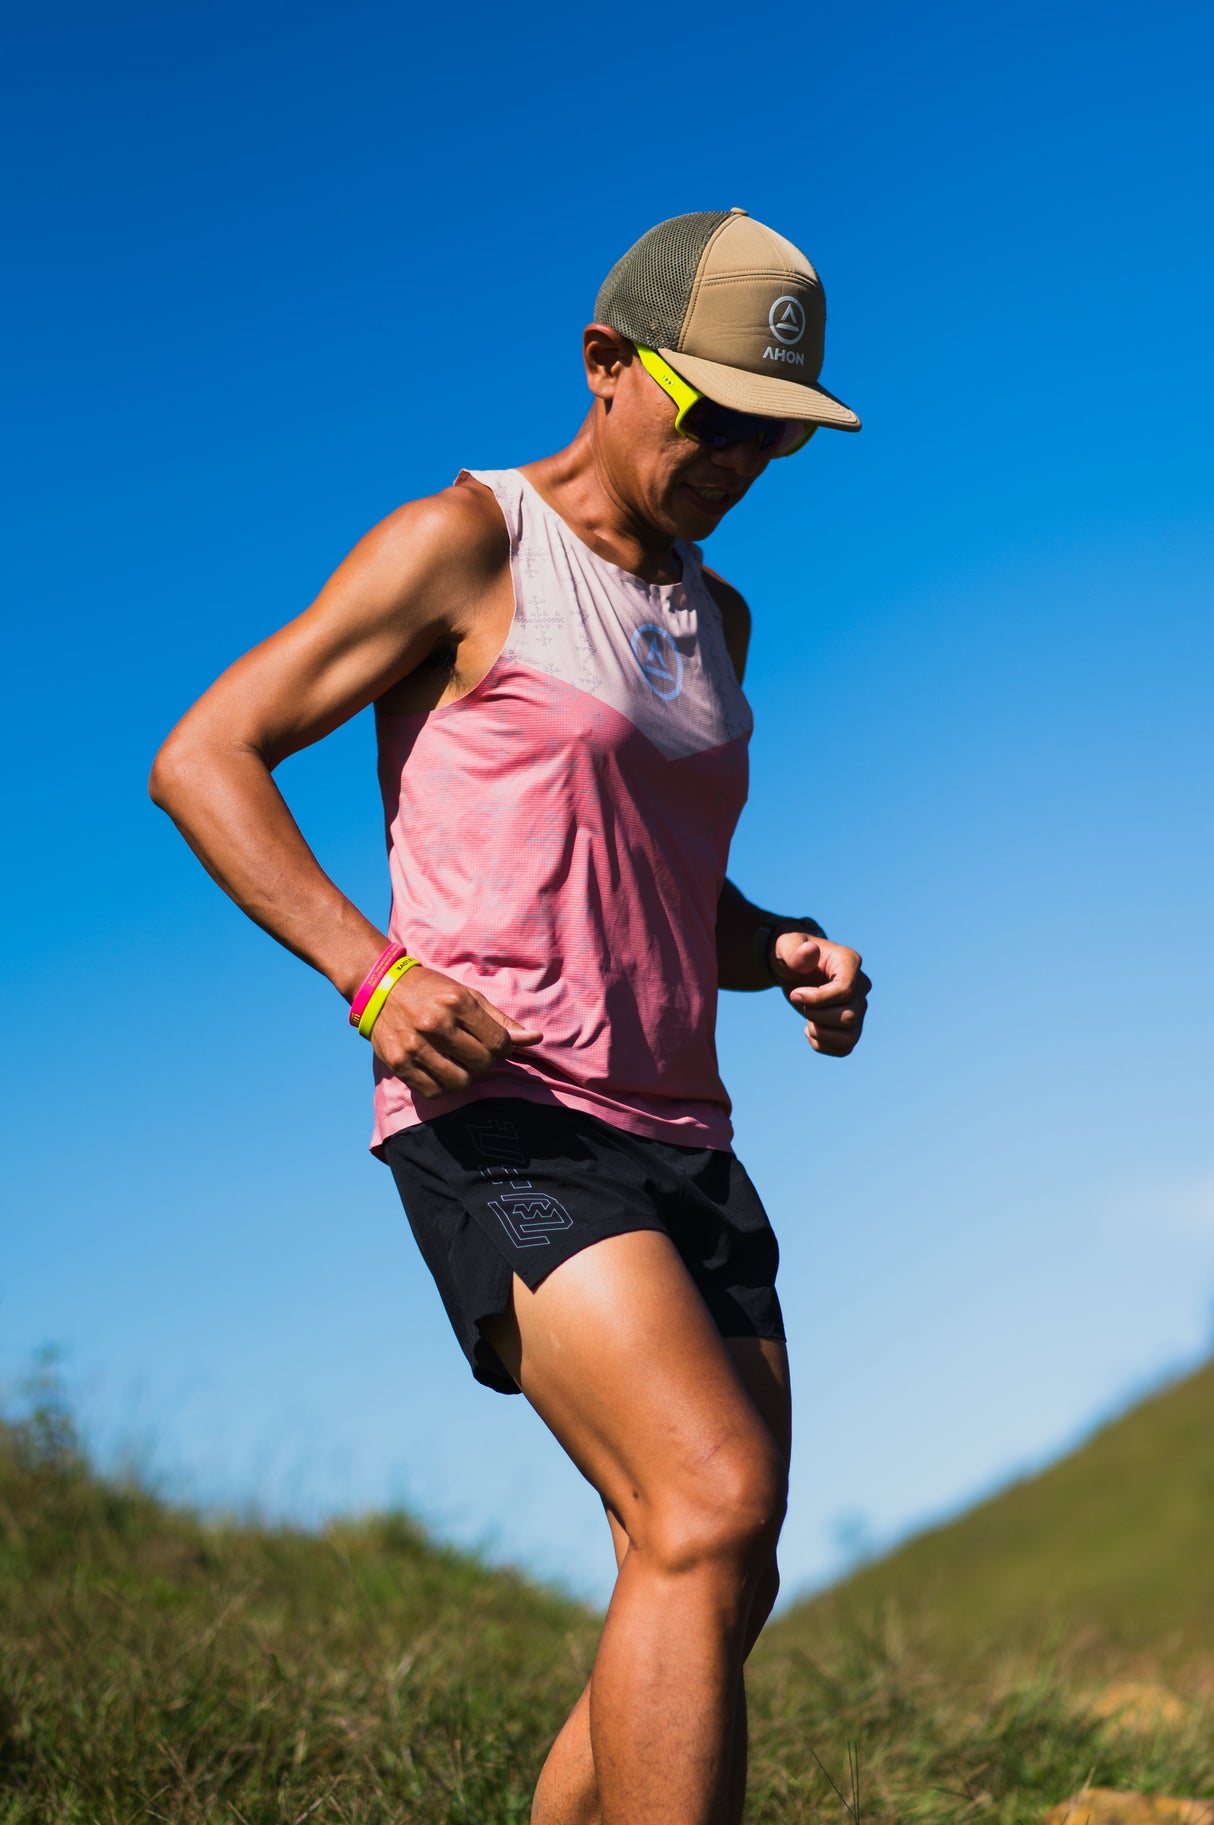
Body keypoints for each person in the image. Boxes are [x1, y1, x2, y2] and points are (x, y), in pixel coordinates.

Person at [150, 205, 871, 1825]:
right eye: (717, 416)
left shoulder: (716, 616)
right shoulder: (466, 544)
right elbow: (205, 755)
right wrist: (371, 971)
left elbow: (668, 889)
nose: (742, 456)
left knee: (713, 1563)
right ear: (608, 364)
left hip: (681, 1126)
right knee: (706, 1498)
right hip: (506, 1110)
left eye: (777, 434)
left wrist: (788, 946)